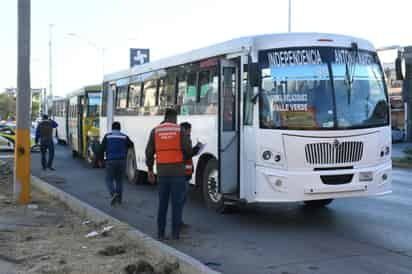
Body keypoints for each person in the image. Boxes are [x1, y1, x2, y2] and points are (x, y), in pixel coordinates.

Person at [145, 108, 192, 240]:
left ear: (165, 117)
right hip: (177, 173)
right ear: (174, 118)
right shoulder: (179, 130)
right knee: (176, 204)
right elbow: (188, 151)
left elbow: (149, 152)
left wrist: (150, 170)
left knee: (163, 204)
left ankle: (160, 233)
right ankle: (175, 234)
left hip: (162, 173)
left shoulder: (155, 130)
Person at [101, 121, 133, 206]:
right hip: (122, 161)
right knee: (119, 180)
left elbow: (101, 148)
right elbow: (131, 144)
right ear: (120, 128)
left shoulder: (107, 136)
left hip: (110, 161)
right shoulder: (124, 137)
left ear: (112, 128)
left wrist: (100, 159)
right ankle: (119, 199)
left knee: (109, 179)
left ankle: (113, 193)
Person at [179, 122, 201, 229]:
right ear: (185, 129)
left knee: (181, 198)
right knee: (181, 199)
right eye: (189, 130)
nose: (190, 132)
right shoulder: (184, 139)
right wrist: (196, 149)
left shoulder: (183, 138)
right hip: (183, 173)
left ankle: (179, 220)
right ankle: (178, 222)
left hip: (185, 172)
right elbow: (186, 154)